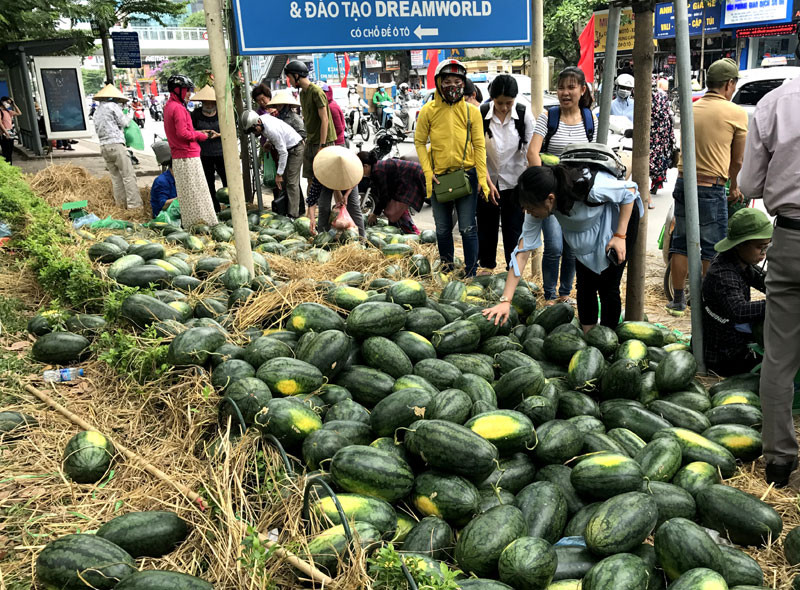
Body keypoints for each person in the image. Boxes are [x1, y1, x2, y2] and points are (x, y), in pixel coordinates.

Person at [737, 35, 800, 487]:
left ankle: (779, 460)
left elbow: (749, 184)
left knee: (780, 356)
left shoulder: (774, 104)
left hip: (791, 239)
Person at [482, 164, 642, 331]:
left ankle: (609, 339)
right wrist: (505, 301)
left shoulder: (589, 188)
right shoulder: (537, 205)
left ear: (550, 199)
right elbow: (521, 254)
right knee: (585, 284)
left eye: (530, 208)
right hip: (585, 234)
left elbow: (629, 191)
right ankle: (589, 337)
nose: (528, 213)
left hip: (617, 223)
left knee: (608, 286)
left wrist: (620, 236)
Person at [666, 58, 748, 316]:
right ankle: (704, 301)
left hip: (683, 183)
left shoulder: (693, 108)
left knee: (680, 243)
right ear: (729, 84)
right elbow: (737, 160)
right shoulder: (736, 113)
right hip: (712, 188)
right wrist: (734, 186)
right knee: (713, 248)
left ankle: (677, 300)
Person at [527, 66, 597, 304]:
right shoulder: (548, 117)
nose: (565, 92)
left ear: (582, 89)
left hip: (577, 196)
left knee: (571, 248)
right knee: (554, 246)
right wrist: (543, 187)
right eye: (561, 87)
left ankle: (565, 294)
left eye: (571, 87)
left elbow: (594, 156)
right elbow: (532, 153)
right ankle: (549, 295)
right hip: (551, 195)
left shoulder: (590, 119)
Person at [414, 59, 490, 278]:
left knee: (468, 227)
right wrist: (429, 173)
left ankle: (471, 273)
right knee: (443, 229)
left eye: (458, 81)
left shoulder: (471, 112)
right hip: (439, 178)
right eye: (447, 81)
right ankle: (447, 270)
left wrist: (482, 180)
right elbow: (419, 142)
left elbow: (479, 146)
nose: (453, 86)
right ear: (438, 83)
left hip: (467, 175)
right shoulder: (428, 111)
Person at [701, 208, 771, 377]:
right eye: (760, 248)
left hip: (736, 342)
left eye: (766, 247)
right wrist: (778, 304)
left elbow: (763, 281)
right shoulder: (723, 273)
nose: (764, 253)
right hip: (725, 356)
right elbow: (739, 310)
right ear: (740, 244)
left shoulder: (738, 260)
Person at [477, 74, 533, 273]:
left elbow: (529, 152)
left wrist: (528, 190)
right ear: (492, 99)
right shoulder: (481, 113)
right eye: (499, 103)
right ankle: (486, 266)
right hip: (487, 179)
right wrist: (483, 179)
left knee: (513, 228)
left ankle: (513, 270)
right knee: (486, 226)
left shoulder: (524, 114)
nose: (503, 107)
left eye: (508, 103)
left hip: (514, 182)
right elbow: (476, 150)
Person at [163, 74, 218, 228]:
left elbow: (182, 131)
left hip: (180, 155)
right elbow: (183, 134)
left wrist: (199, 132)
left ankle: (192, 225)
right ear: (177, 90)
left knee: (189, 196)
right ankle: (203, 225)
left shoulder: (169, 106)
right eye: (186, 90)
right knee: (198, 194)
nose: (189, 94)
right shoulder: (178, 108)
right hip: (187, 155)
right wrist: (201, 135)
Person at [284, 60, 336, 222]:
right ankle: (312, 212)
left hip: (324, 142)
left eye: (289, 77)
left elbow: (325, 119)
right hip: (310, 140)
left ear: (297, 76)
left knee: (329, 178)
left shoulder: (316, 92)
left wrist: (321, 145)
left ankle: (339, 207)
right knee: (309, 177)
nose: (289, 81)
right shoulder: (302, 93)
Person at [241, 110, 304, 218]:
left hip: (296, 149)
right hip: (288, 149)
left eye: (253, 129)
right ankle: (294, 209)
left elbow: (283, 152)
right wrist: (269, 142)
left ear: (258, 122)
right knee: (285, 183)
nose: (254, 133)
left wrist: (279, 174)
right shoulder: (263, 120)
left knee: (292, 183)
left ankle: (293, 216)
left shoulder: (271, 130)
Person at [92, 84, 143, 209]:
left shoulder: (97, 110)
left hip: (104, 146)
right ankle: (134, 206)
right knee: (128, 176)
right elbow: (124, 122)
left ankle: (120, 206)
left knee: (116, 178)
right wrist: (127, 117)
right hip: (116, 145)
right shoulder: (112, 106)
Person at [358, 151, 423, 235]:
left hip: (412, 178)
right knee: (395, 212)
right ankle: (400, 232)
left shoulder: (378, 172)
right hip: (404, 182)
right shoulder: (376, 168)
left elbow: (384, 196)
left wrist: (375, 214)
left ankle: (415, 235)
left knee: (399, 211)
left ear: (365, 166)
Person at [312, 146, 366, 237]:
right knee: (324, 207)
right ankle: (323, 237)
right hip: (328, 180)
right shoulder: (322, 172)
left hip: (348, 179)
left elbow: (355, 181)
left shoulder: (353, 167)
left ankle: (362, 238)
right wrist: (312, 219)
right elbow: (311, 198)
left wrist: (346, 195)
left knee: (354, 207)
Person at [190, 85, 225, 212]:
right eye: (206, 103)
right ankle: (214, 209)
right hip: (204, 153)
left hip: (221, 153)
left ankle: (230, 207)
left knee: (227, 181)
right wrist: (201, 133)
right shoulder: (196, 114)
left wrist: (219, 134)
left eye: (211, 103)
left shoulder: (221, 112)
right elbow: (190, 130)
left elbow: (230, 130)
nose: (209, 106)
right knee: (208, 183)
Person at [649, 80, 675, 203]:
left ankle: (655, 179)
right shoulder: (664, 98)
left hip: (653, 132)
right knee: (661, 157)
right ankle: (658, 179)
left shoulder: (649, 97)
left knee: (651, 158)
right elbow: (669, 116)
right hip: (663, 132)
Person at [150, 142, 177, 217]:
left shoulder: (179, 179)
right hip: (163, 216)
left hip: (174, 211)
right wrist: (181, 198)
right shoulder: (161, 181)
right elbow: (163, 205)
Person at [0, 96, 21, 164]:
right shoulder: (1, 112)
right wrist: (6, 132)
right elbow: (0, 123)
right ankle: (7, 165)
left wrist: (14, 104)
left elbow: (19, 113)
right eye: (8, 102)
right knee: (6, 151)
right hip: (4, 133)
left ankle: (10, 165)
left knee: (10, 151)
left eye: (10, 103)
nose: (9, 104)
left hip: (10, 132)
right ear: (3, 102)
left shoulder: (9, 112)